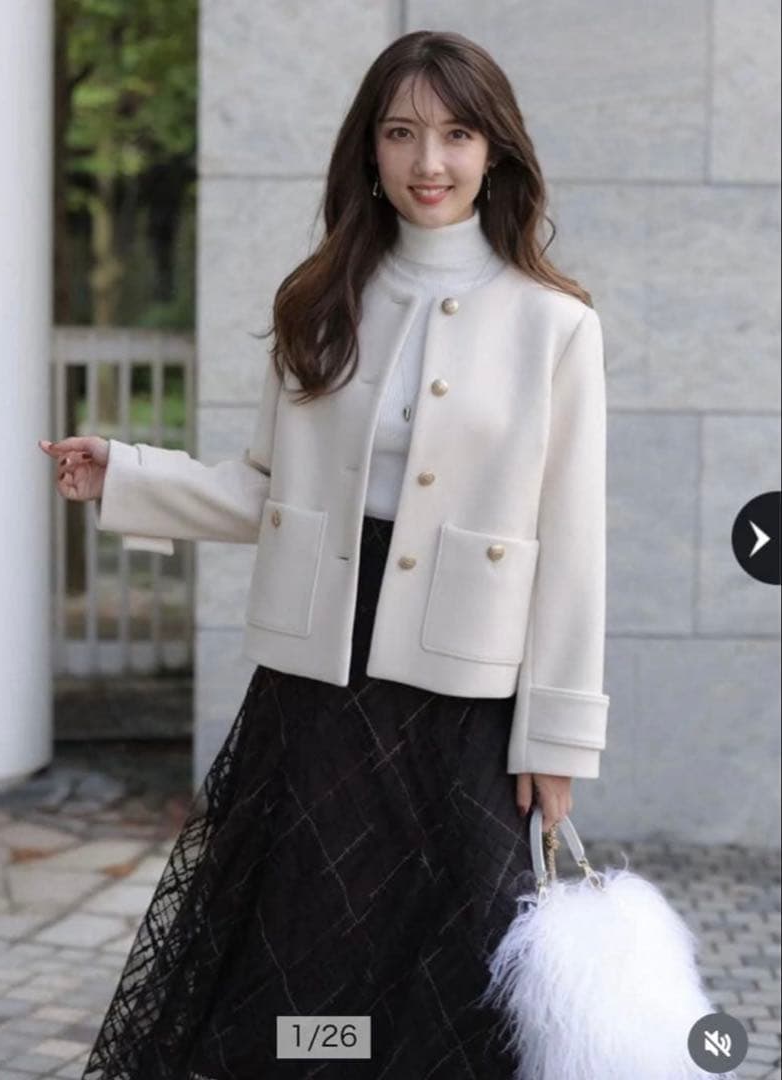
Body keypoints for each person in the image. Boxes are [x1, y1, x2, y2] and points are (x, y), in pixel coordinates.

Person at [40, 29, 609, 1080]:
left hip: (468, 700)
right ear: (368, 150)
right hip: (320, 683)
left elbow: (572, 546)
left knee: (461, 960)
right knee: (307, 951)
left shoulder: (554, 327)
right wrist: (128, 475)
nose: (427, 161)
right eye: (400, 133)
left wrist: (557, 739)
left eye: (456, 134)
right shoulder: (318, 299)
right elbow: (272, 492)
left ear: (495, 152)